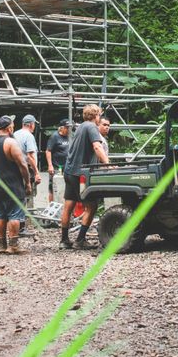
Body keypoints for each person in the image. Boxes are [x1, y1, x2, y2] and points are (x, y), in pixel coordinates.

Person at [60, 103, 109, 251]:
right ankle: (80, 240)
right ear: (96, 116)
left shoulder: (81, 126)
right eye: (99, 115)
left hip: (69, 171)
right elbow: (97, 146)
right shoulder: (92, 127)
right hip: (80, 173)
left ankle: (64, 240)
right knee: (92, 206)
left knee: (68, 205)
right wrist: (107, 163)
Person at [0, 116, 32, 254]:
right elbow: (23, 165)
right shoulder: (11, 143)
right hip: (12, 185)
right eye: (12, 125)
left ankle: (2, 245)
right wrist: (28, 182)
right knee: (14, 216)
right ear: (9, 128)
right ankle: (13, 246)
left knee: (0, 216)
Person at [14, 114, 41, 230]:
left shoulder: (15, 134)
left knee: (16, 197)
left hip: (14, 169)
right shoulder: (29, 136)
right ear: (31, 124)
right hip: (25, 169)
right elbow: (30, 156)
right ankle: (22, 225)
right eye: (34, 124)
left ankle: (16, 223)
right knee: (25, 196)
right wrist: (36, 172)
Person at [45, 118, 71, 202]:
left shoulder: (70, 136)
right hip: (57, 166)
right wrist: (50, 165)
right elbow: (48, 151)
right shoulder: (55, 136)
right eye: (67, 128)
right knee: (53, 187)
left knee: (67, 187)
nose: (68, 129)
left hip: (67, 166)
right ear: (61, 128)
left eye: (69, 127)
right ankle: (51, 206)